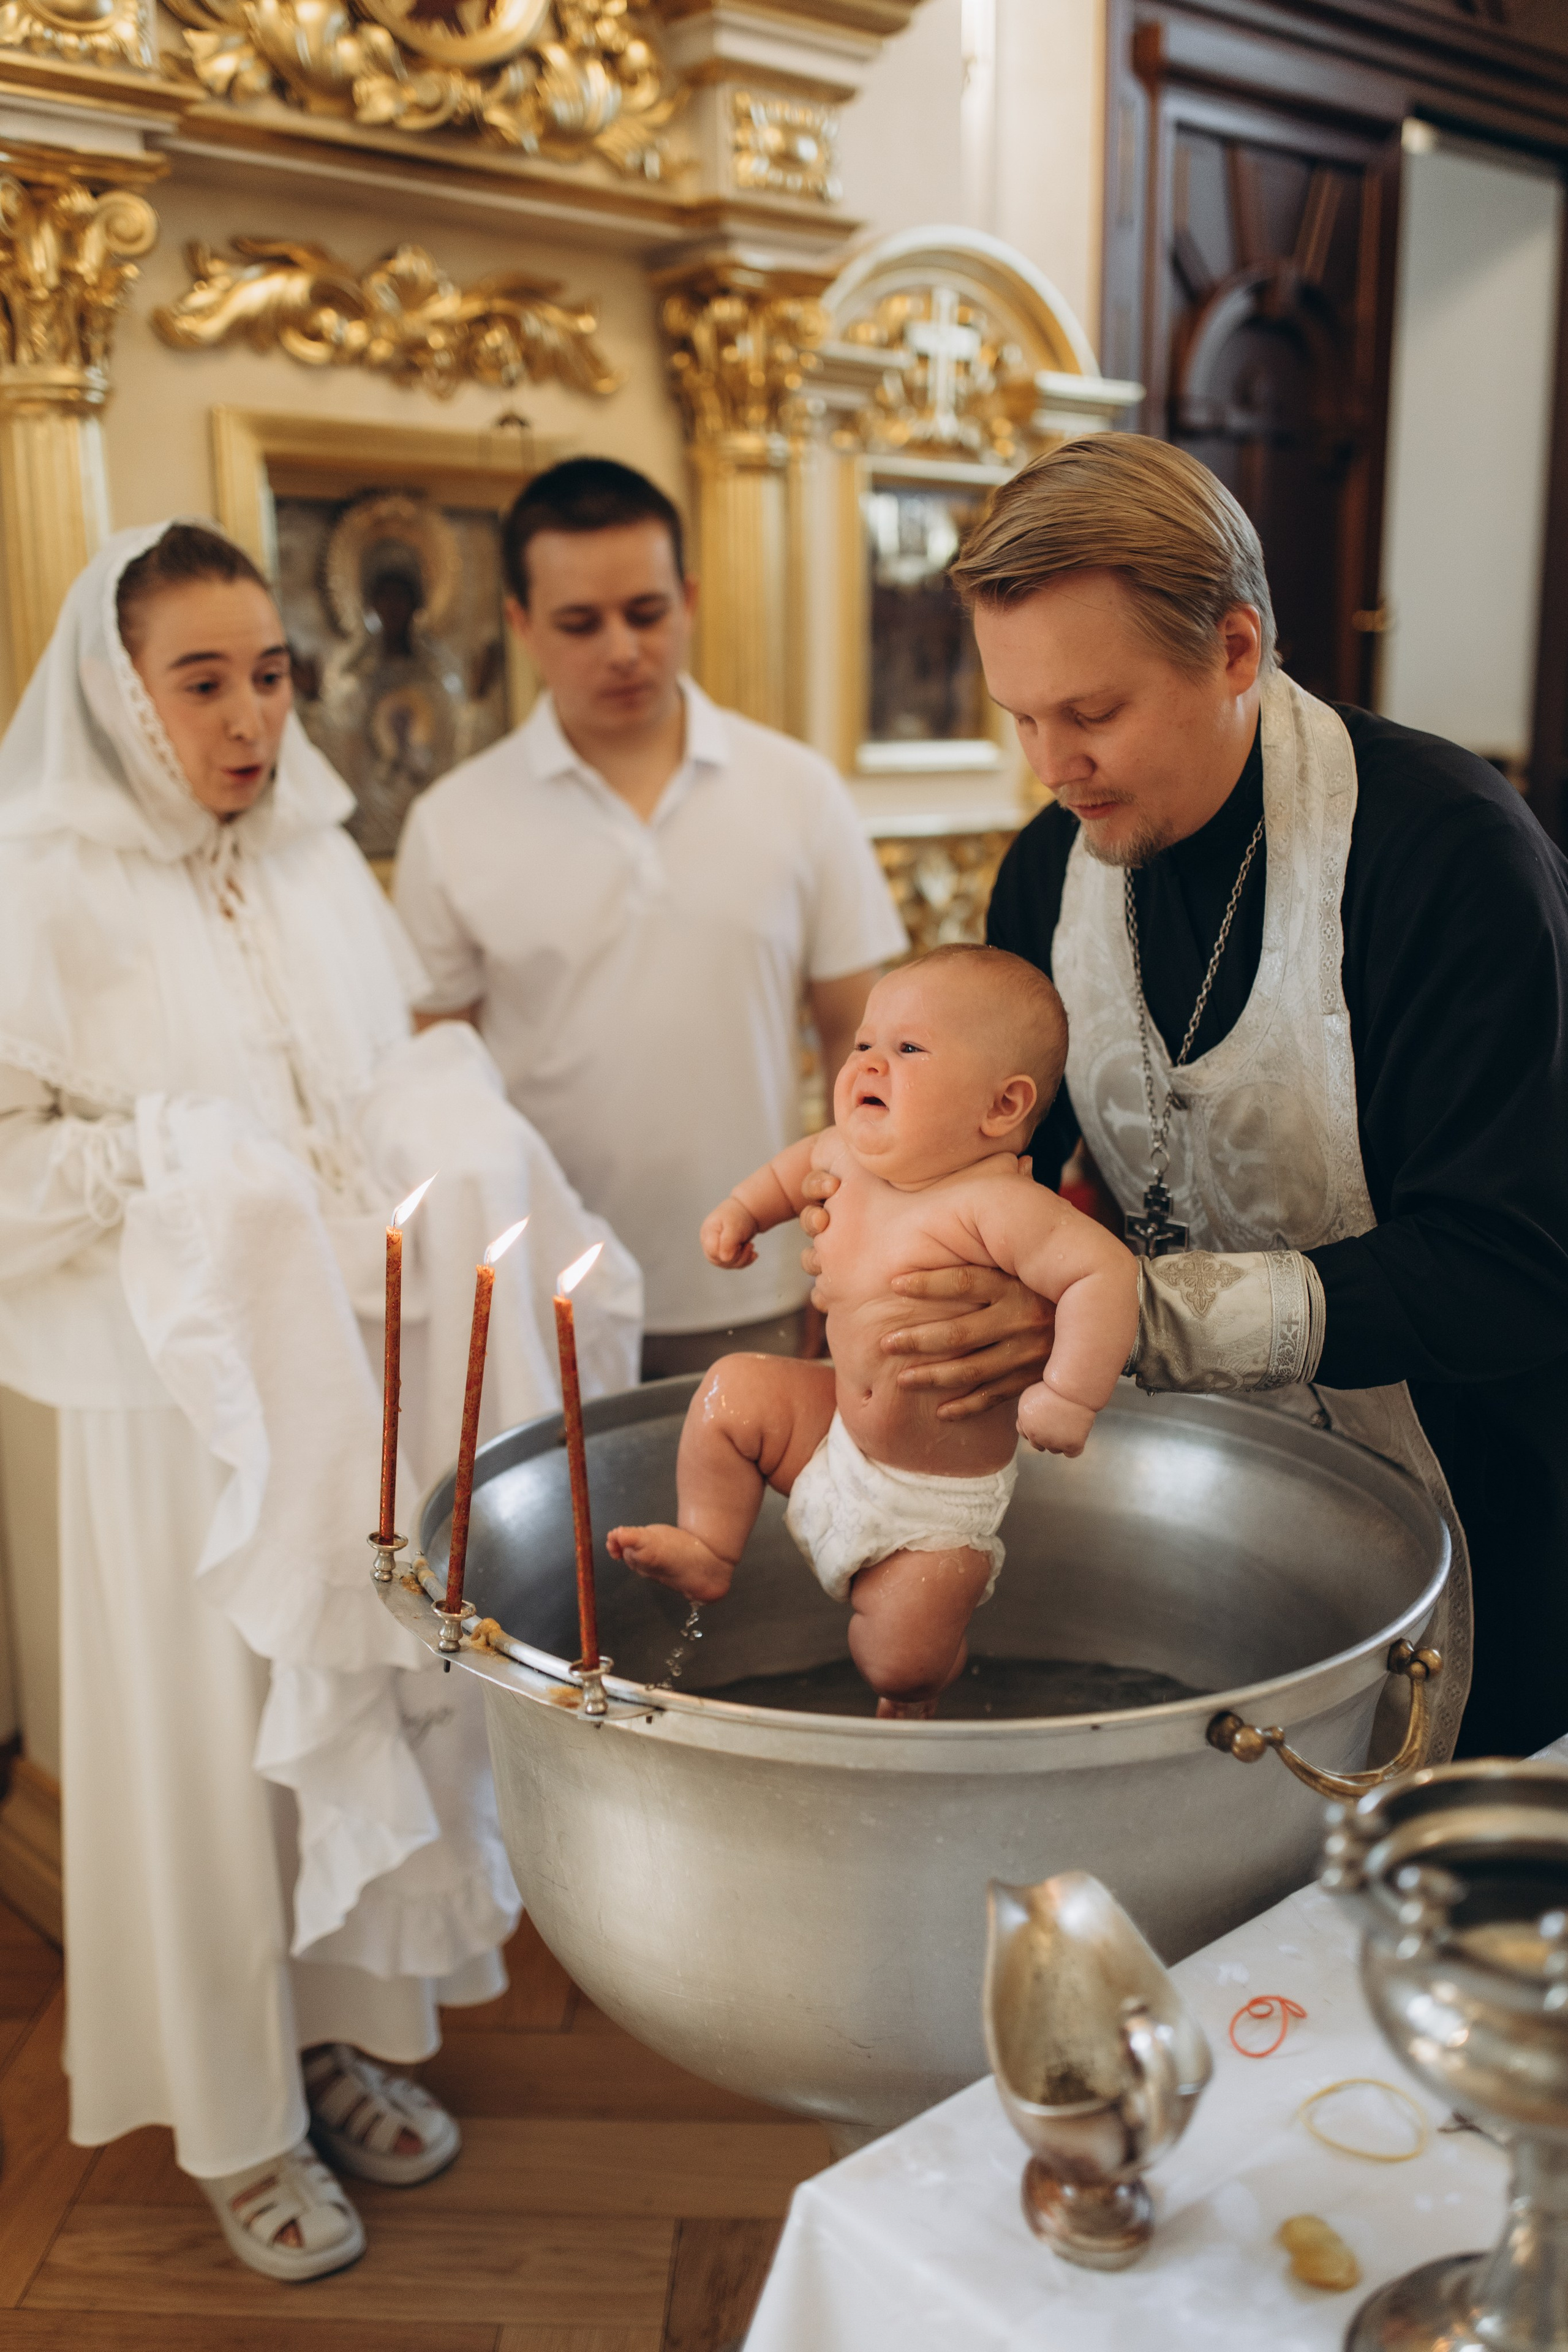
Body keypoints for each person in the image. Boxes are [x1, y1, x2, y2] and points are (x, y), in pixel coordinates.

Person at [0, 522, 641, 2278]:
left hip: (341, 1372)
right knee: (210, 1766)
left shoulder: (313, 865)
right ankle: (236, 2116)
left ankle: (346, 2027)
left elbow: (367, 1101)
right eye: (200, 680)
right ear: (117, 695)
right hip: (163, 1412)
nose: (250, 717)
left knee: (364, 1716)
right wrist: (163, 1155)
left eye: (270, 673)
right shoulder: (35, 879)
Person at [841, 428, 1568, 1762]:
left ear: (1235, 650)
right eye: (1020, 719)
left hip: (1480, 1511)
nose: (1049, 767)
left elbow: (1507, 1268)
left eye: (1092, 714)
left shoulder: (1448, 860)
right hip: (1193, 1505)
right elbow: (987, 1157)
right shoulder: (1046, 872)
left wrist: (1132, 1320)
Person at [394, 457, 908, 1378]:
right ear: (519, 623)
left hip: (753, 1279)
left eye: (646, 611)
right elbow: (435, 1090)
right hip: (534, 1294)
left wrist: (857, 1257)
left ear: (690, 597)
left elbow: (862, 1044)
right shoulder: (453, 822)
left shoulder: (797, 791)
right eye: (580, 624)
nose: (622, 649)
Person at [608, 947, 1140, 1717]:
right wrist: (741, 1213)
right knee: (732, 1393)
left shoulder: (997, 1206)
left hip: (932, 1509)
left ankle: (925, 1677)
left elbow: (1103, 1274)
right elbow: (788, 1175)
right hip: (830, 1434)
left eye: (907, 1049)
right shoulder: (840, 1156)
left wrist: (1068, 1393)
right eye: (863, 1044)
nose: (869, 1063)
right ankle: (708, 1547)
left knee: (897, 1659)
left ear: (1000, 1108)